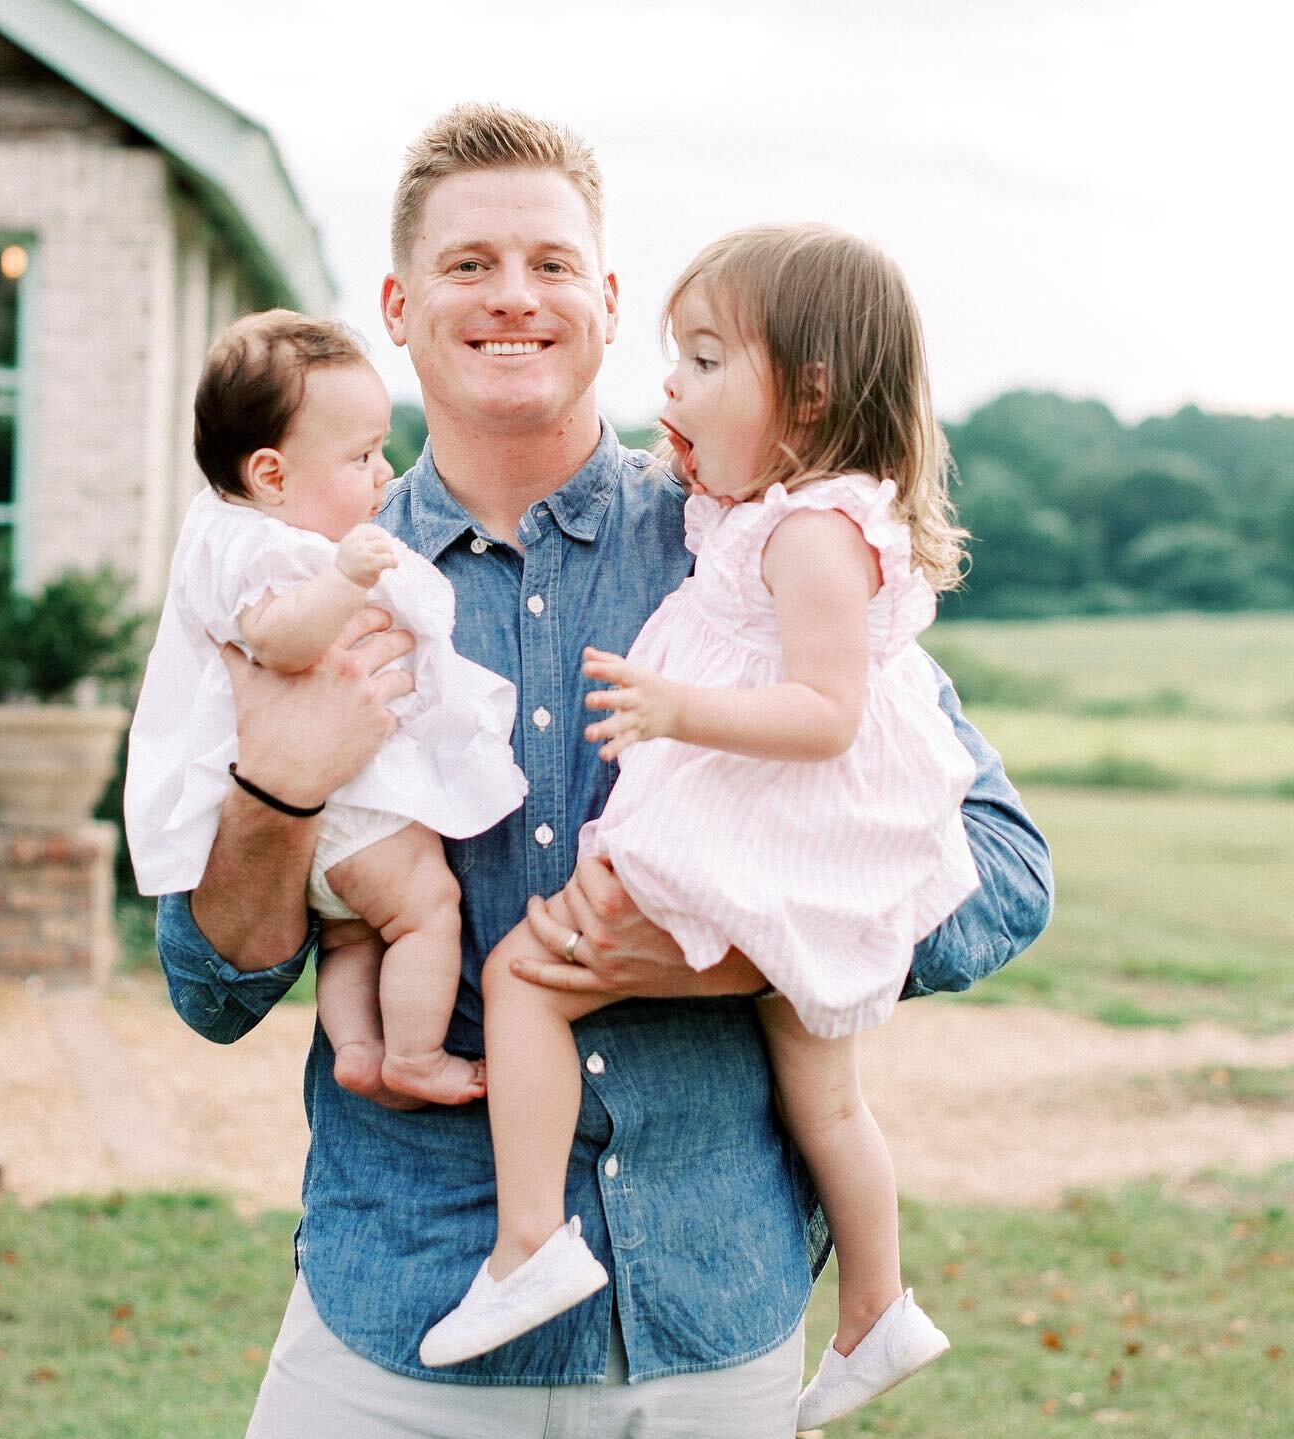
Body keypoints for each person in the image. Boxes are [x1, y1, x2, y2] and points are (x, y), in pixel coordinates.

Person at [155, 103, 1053, 1439]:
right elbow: (210, 983)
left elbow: (1001, 867)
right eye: (469, 265)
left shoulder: (746, 552)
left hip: (709, 1316)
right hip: (402, 1317)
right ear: (399, 306)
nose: (513, 295)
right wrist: (275, 797)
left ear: (607, 298)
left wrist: (728, 949)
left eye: (551, 263)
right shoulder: (295, 582)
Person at [422, 223, 976, 1430]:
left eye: (709, 362)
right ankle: (879, 1305)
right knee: (826, 1096)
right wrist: (702, 459)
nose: (672, 387)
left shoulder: (811, 534)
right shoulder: (765, 511)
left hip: (755, 837)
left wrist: (678, 706)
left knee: (525, 974)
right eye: (675, 360)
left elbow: (827, 711)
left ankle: (529, 1241)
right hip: (799, 846)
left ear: (812, 392)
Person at [126, 311, 526, 1107]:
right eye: (363, 456)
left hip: (334, 838)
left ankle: (357, 1047)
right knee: (424, 910)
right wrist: (346, 578)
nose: (385, 473)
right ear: (273, 476)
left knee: (351, 936)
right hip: (353, 809)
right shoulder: (275, 547)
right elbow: (278, 638)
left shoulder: (246, 533)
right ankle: (412, 1054)